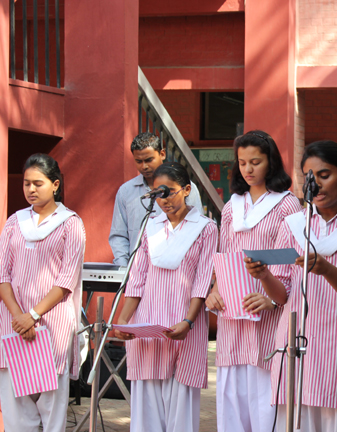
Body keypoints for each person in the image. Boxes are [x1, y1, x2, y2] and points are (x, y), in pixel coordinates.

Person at [246, 140, 337, 431]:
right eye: (309, 177)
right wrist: (264, 276)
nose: (316, 184)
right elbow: (282, 294)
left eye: (324, 175)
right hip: (297, 344)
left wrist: (326, 270)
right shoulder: (293, 225)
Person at [204, 130, 302, 432]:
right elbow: (224, 255)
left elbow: (291, 261)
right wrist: (214, 290)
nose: (248, 169)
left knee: (265, 396)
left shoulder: (287, 205)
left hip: (268, 308)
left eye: (256, 162)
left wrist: (272, 298)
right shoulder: (232, 206)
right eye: (242, 162)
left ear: (271, 162)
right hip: (233, 314)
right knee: (232, 394)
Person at [114, 162, 217, 432]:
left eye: (169, 192)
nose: (164, 200)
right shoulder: (150, 226)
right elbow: (137, 278)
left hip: (183, 324)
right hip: (148, 324)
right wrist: (123, 321)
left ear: (186, 190)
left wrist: (188, 321)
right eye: (158, 194)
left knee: (180, 404)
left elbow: (202, 281)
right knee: (146, 404)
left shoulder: (205, 228)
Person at [0, 154, 85, 432]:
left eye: (38, 183)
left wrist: (33, 316)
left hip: (51, 327)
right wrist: (19, 317)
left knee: (51, 409)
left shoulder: (71, 223)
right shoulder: (14, 222)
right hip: (13, 326)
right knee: (16, 409)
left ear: (55, 185)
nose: (31, 189)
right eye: (27, 183)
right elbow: (2, 276)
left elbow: (66, 280)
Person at [109, 132, 203, 267]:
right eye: (138, 161)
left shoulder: (185, 188)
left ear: (162, 154)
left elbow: (197, 229)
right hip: (137, 270)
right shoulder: (126, 192)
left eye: (149, 160)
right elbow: (119, 235)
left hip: (178, 269)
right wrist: (125, 269)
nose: (144, 166)